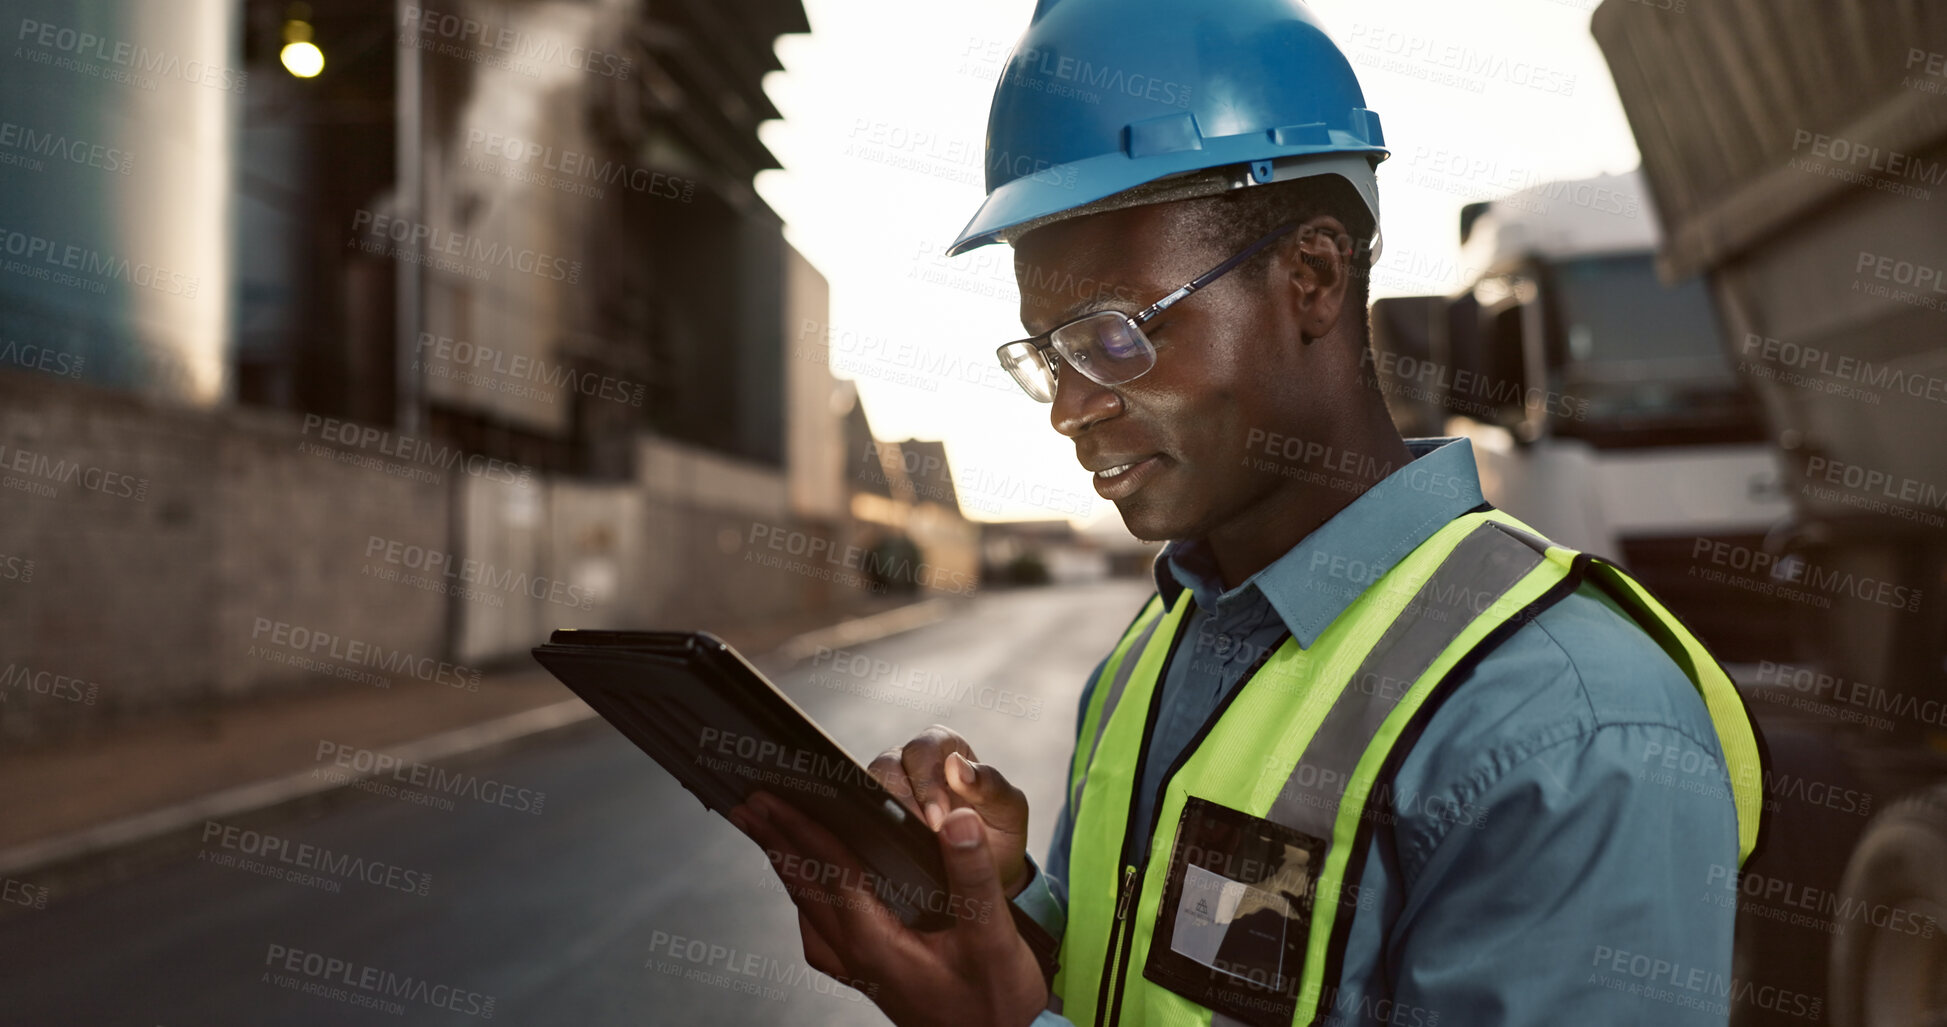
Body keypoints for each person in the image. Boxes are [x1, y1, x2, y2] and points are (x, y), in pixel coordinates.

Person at [729, 2, 1766, 1024]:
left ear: (1310, 277)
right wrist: (1007, 911)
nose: (1070, 408)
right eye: (1048, 353)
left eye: (1115, 337)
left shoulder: (1568, 725)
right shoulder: (1156, 652)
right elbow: (1152, 983)